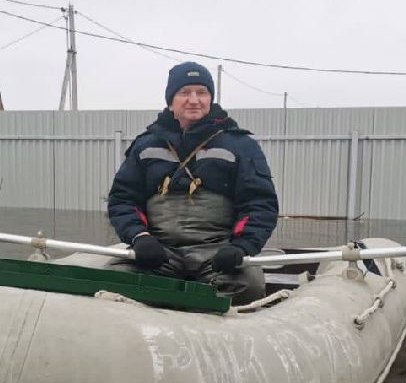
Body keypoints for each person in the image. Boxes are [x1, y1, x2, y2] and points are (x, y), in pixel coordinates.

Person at [107, 61, 279, 305]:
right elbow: (123, 199)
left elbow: (260, 203)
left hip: (216, 253)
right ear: (170, 100)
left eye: (202, 92)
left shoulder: (240, 145)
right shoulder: (146, 145)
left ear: (211, 98)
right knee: (113, 278)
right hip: (160, 252)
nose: (194, 100)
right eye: (185, 92)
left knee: (249, 285)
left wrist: (241, 247)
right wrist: (140, 237)